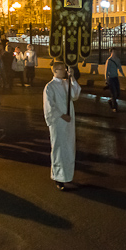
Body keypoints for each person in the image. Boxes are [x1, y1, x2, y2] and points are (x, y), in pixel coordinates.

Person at [43, 61, 80, 191]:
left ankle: (68, 175)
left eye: (65, 69)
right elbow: (49, 106)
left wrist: (72, 78)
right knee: (59, 148)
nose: (64, 71)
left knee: (69, 147)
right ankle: (58, 177)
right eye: (61, 69)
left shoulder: (66, 83)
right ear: (55, 71)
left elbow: (75, 95)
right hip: (58, 121)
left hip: (69, 121)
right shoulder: (50, 87)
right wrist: (62, 115)